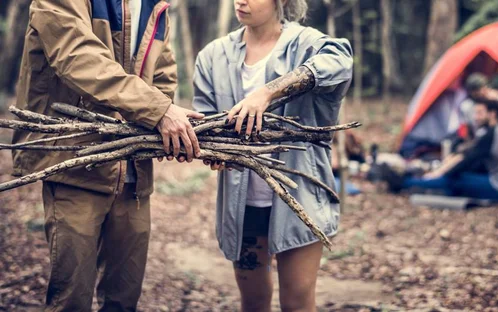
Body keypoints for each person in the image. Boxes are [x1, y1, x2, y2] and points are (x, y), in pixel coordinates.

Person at [11, 1, 204, 310]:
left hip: (134, 172)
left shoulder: (157, 4)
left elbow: (164, 71)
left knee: (124, 298)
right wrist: (158, 111)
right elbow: (75, 56)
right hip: (77, 161)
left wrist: (166, 128)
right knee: (71, 298)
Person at [192, 0, 353, 310]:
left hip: (300, 198)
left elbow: (340, 62)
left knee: (296, 302)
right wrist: (213, 152)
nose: (241, 0)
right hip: (242, 204)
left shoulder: (307, 44)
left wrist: (267, 92)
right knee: (253, 301)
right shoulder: (213, 56)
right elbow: (206, 122)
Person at [400, 99, 498, 202]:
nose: (475, 118)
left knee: (456, 180)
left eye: (480, 113)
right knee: (460, 178)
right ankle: (425, 184)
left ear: (492, 114)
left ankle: (406, 183)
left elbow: (470, 160)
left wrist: (444, 174)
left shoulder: (494, 133)